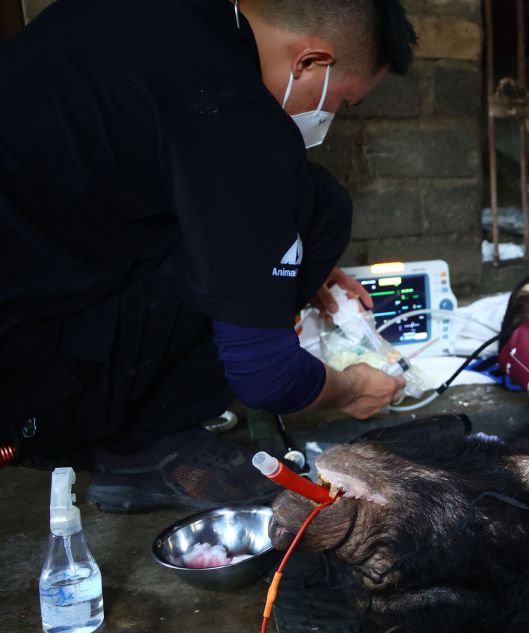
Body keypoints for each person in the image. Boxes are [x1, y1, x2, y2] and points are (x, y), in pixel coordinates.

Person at [0, 0, 418, 512]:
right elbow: (266, 377)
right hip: (28, 390)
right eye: (343, 102)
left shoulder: (165, 26)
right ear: (310, 61)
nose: (328, 116)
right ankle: (144, 447)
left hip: (33, 312)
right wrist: (350, 389)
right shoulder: (234, 112)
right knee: (320, 204)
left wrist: (283, 257)